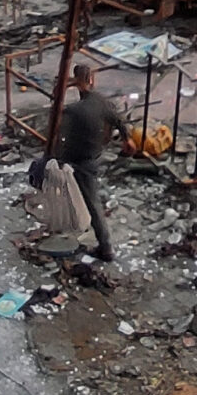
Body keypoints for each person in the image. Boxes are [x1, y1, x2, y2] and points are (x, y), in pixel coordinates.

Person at [54, 60, 123, 262]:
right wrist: (128, 142)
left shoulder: (74, 110)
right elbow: (118, 121)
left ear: (76, 82)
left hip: (79, 160)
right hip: (93, 155)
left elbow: (59, 127)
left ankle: (106, 248)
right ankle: (73, 224)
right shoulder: (100, 102)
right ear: (92, 79)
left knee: (92, 203)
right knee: (87, 198)